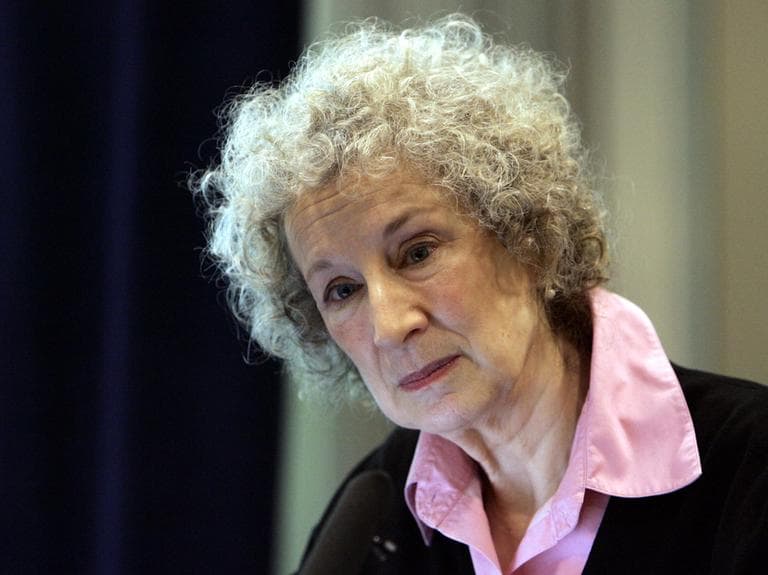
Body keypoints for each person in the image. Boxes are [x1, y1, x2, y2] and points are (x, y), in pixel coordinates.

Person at [191, 14, 768, 575]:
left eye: (418, 252)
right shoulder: (370, 526)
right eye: (342, 290)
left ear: (528, 237)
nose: (390, 325)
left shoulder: (749, 468)